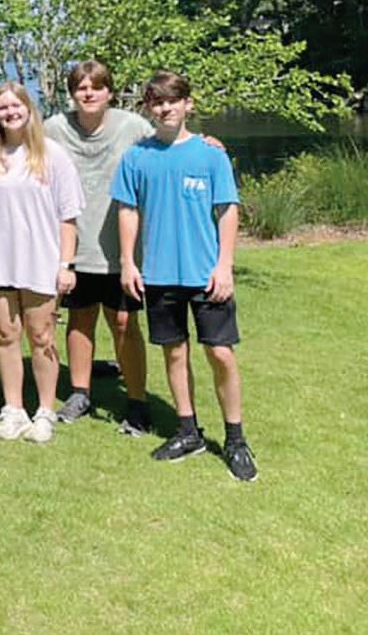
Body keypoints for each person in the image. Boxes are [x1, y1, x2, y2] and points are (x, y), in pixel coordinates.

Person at [113, 71, 257, 482]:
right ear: (148, 108)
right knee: (174, 353)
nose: (165, 108)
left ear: (187, 104)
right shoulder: (136, 158)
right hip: (159, 275)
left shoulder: (211, 155)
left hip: (206, 275)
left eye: (172, 100)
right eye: (157, 102)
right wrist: (128, 262)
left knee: (220, 353)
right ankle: (188, 431)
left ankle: (235, 440)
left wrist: (224, 266)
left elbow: (227, 210)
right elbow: (127, 210)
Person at [0, 83, 83, 445]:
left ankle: (45, 410)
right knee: (6, 334)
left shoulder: (52, 155)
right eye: (3, 107)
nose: (10, 113)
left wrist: (66, 264)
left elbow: (68, 217)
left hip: (41, 261)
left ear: (29, 109)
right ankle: (13, 409)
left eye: (16, 106)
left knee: (42, 336)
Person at [43, 61, 153, 434]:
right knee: (80, 318)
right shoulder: (54, 128)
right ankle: (80, 393)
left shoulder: (132, 126)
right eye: (81, 87)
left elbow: (166, 146)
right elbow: (20, 151)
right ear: (72, 94)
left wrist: (203, 143)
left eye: (96, 87)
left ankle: (136, 401)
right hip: (74, 244)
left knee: (123, 322)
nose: (88, 93)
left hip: (120, 247)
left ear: (110, 92)